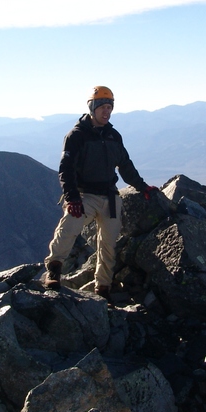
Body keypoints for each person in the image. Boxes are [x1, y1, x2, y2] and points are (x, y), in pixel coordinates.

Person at [43, 86, 157, 301]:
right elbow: (65, 169)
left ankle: (103, 289)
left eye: (110, 107)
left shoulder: (114, 136)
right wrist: (71, 197)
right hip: (85, 195)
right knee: (69, 228)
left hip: (110, 198)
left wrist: (143, 187)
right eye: (103, 107)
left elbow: (125, 166)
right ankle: (54, 271)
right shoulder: (76, 135)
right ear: (92, 108)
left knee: (108, 245)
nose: (107, 112)